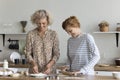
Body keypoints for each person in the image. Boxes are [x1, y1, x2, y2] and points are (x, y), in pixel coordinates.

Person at [25, 9, 60, 74]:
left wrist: (49, 65)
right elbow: (28, 53)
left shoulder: (53, 34)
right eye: (39, 23)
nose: (41, 26)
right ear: (35, 22)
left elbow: (56, 54)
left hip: (50, 71)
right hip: (34, 71)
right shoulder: (31, 34)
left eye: (44, 23)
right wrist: (33, 64)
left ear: (48, 21)